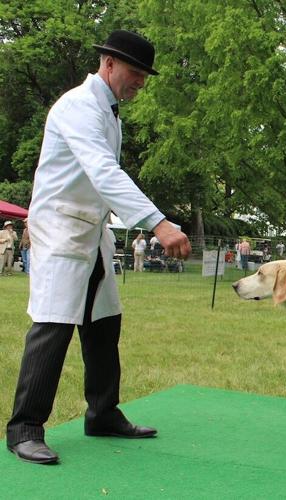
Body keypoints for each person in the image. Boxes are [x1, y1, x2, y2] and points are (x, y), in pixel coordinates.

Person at [5, 29, 191, 465]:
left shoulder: (108, 111)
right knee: (52, 326)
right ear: (108, 64)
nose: (140, 83)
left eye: (144, 76)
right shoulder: (78, 107)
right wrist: (159, 224)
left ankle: (102, 413)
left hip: (91, 230)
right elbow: (104, 173)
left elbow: (102, 183)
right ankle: (24, 428)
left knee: (105, 324)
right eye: (135, 72)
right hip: (62, 230)